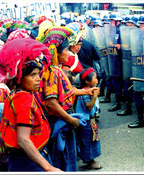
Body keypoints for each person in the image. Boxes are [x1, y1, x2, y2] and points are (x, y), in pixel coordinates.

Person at [38, 27, 98, 171]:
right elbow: (52, 103)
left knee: (67, 158)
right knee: (62, 161)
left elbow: (67, 91)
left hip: (63, 119)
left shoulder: (56, 69)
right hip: (59, 121)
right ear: (56, 53)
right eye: (66, 50)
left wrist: (87, 92)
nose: (69, 52)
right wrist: (70, 119)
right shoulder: (51, 73)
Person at [0, 38, 62, 172]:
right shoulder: (23, 98)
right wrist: (48, 167)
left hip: (23, 158)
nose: (38, 78)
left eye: (38, 74)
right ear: (20, 77)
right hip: (29, 161)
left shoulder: (17, 93)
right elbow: (23, 140)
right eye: (33, 75)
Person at [75, 68, 103, 170]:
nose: (97, 80)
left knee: (92, 139)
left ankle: (88, 159)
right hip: (86, 121)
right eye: (95, 78)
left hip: (90, 120)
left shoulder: (86, 90)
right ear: (87, 81)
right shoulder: (85, 93)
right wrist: (95, 96)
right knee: (88, 141)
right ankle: (90, 161)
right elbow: (88, 106)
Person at [107, 12, 125, 112]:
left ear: (117, 21)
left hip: (121, 59)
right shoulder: (115, 29)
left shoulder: (121, 30)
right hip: (116, 58)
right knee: (116, 80)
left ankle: (119, 103)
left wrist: (119, 46)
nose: (110, 22)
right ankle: (118, 101)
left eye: (112, 20)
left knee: (118, 80)